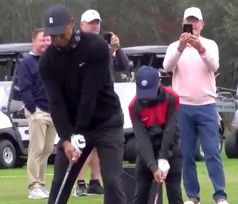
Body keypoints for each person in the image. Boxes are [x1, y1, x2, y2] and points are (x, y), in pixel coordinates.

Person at [39, 4, 127, 204]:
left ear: (71, 24)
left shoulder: (95, 47)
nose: (56, 39)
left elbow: (90, 93)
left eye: (60, 33)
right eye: (51, 35)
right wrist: (66, 139)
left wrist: (77, 132)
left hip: (106, 123)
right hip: (72, 127)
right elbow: (56, 103)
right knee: (61, 181)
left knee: (112, 181)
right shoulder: (47, 61)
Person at [163, 7, 228, 204]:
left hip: (206, 105)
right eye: (189, 22)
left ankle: (220, 195)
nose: (193, 25)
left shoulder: (210, 45)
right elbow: (167, 67)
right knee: (187, 154)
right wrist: (181, 47)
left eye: (196, 21)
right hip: (182, 106)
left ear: (202, 24)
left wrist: (200, 48)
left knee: (211, 152)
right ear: (183, 23)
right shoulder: (175, 46)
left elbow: (214, 66)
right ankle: (193, 196)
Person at [72, 9, 130, 196]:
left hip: (105, 104)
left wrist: (117, 48)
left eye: (97, 23)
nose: (94, 26)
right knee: (81, 145)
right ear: (81, 25)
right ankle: (79, 182)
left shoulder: (106, 47)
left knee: (100, 146)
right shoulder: (77, 46)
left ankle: (94, 181)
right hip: (84, 103)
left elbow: (123, 65)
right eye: (90, 23)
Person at [128, 66, 183, 204]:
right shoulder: (134, 106)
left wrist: (163, 158)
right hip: (147, 152)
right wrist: (153, 167)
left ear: (159, 82)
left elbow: (170, 129)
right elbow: (142, 138)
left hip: (170, 149)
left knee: (175, 193)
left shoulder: (172, 97)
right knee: (140, 194)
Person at [17, 28, 55, 199]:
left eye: (48, 40)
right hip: (37, 111)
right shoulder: (26, 63)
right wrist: (32, 109)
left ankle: (41, 183)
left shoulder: (53, 60)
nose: (46, 43)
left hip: (53, 110)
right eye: (43, 40)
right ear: (34, 41)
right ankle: (33, 186)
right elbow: (24, 88)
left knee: (47, 149)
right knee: (36, 149)